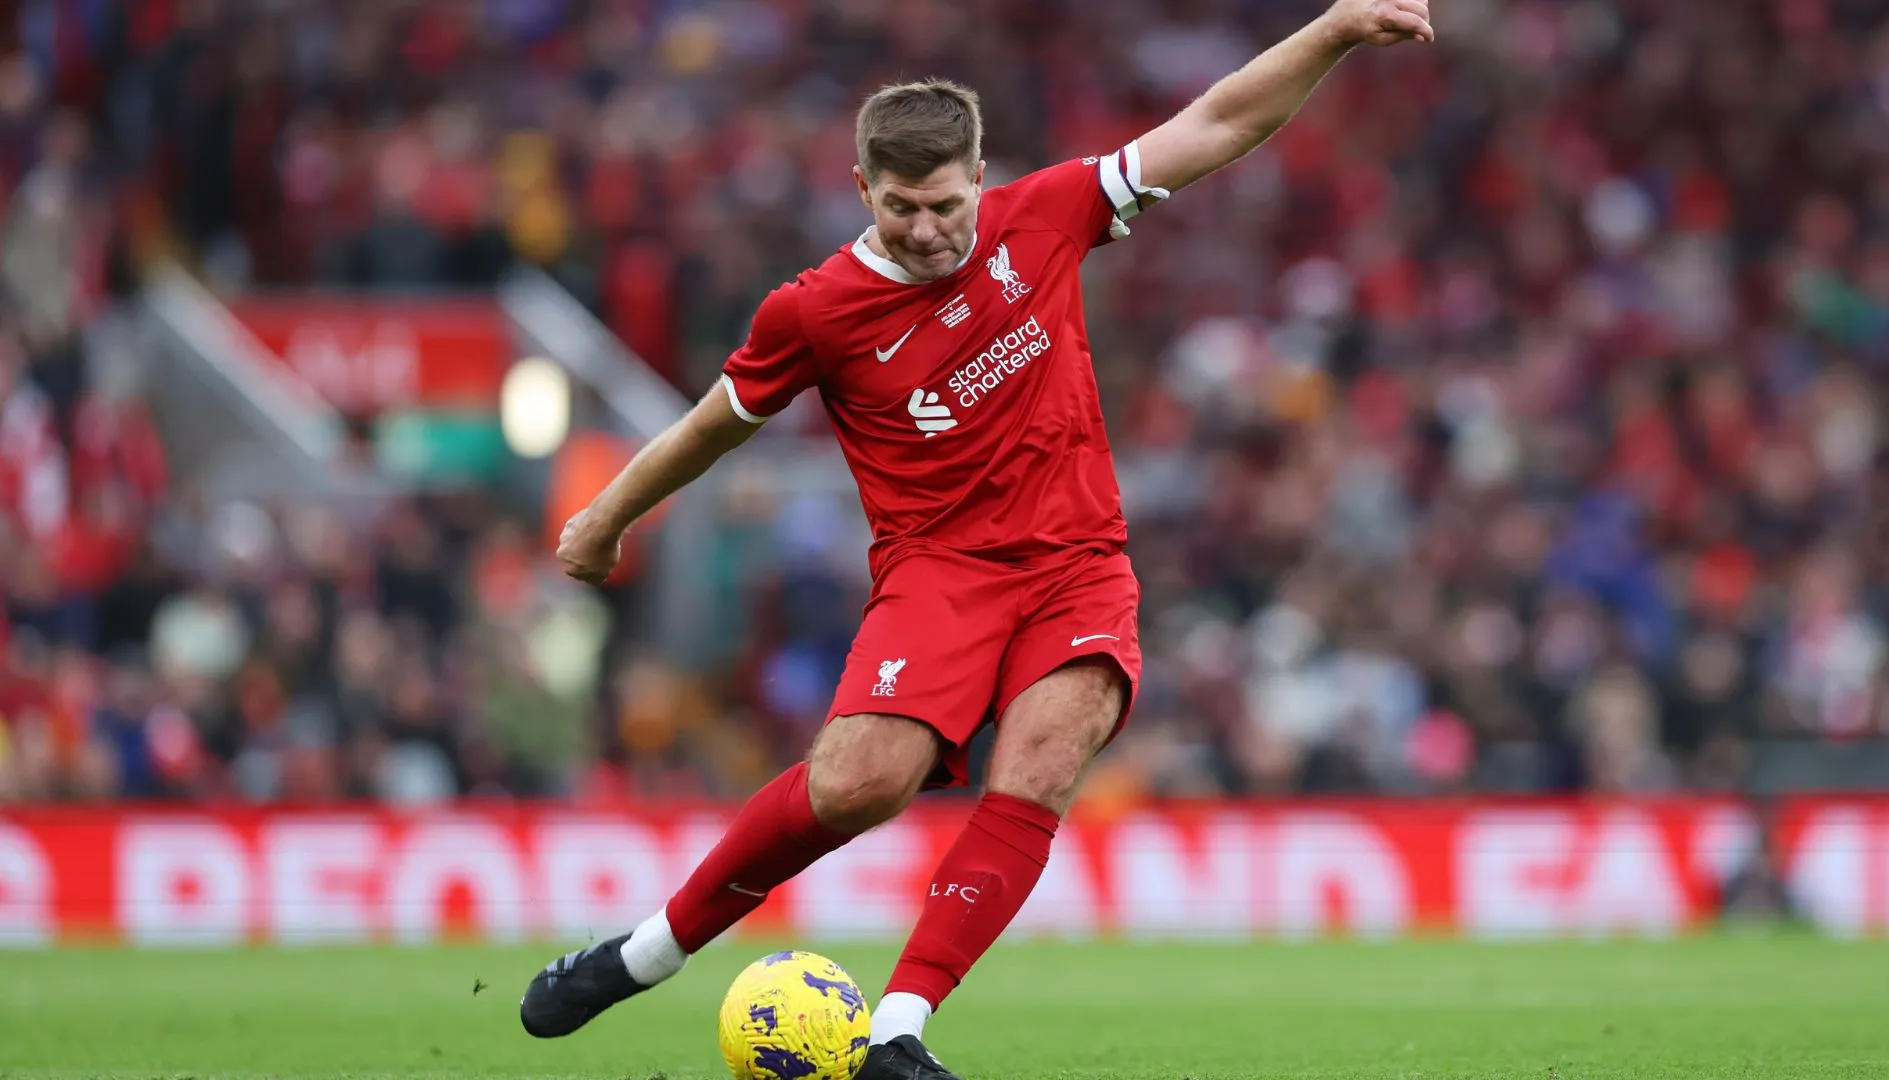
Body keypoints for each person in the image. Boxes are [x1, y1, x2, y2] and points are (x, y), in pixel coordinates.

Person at [518, 2, 1434, 1075]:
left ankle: (899, 1030)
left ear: (979, 176)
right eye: (901, 207)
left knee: (1044, 759)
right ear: (864, 191)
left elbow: (1221, 121)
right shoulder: (814, 312)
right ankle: (648, 951)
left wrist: (1329, 29)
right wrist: (603, 517)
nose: (926, 229)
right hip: (938, 573)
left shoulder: (1043, 216)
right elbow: (713, 427)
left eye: (946, 203)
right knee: (862, 783)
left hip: (1078, 561)